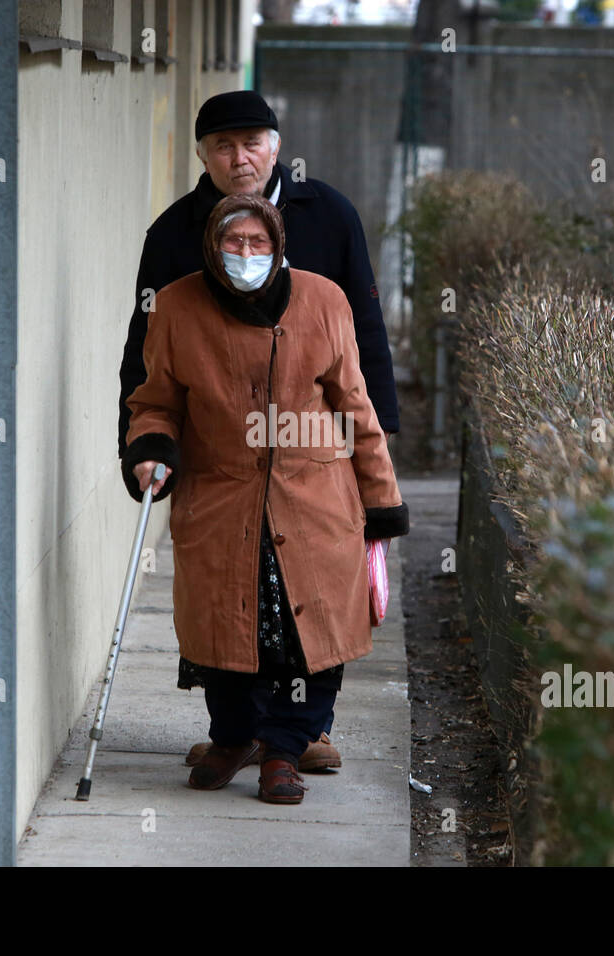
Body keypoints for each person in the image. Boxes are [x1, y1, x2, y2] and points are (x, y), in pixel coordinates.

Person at [117, 89, 401, 772]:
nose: (238, 157)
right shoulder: (173, 234)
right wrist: (145, 447)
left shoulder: (328, 214)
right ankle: (240, 732)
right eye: (222, 145)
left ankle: (302, 733)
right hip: (222, 459)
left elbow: (363, 334)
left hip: (313, 461)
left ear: (276, 145)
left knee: (313, 592)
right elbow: (146, 354)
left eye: (252, 142)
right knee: (230, 594)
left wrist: (379, 460)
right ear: (202, 155)